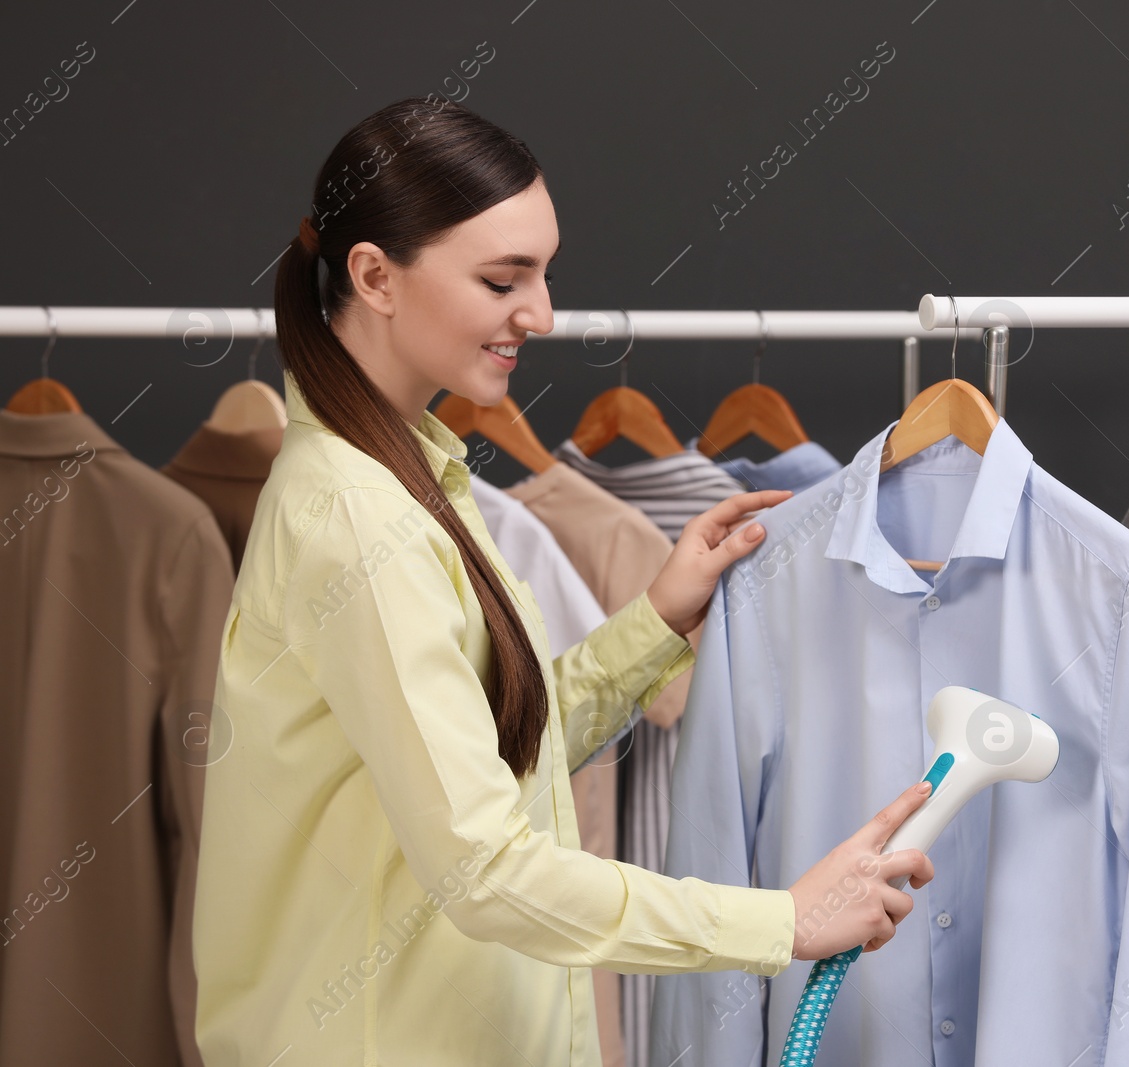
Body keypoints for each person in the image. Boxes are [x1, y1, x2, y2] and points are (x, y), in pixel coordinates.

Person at [190, 96, 934, 1066]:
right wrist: (781, 920)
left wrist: (657, 618)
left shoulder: (415, 482)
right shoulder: (358, 519)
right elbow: (487, 868)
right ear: (374, 274)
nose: (541, 313)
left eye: (543, 274)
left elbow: (498, 756)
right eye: (505, 279)